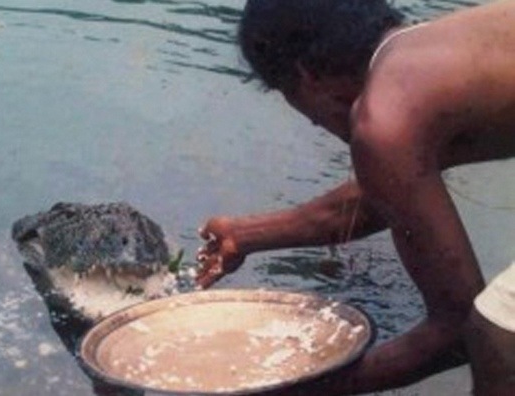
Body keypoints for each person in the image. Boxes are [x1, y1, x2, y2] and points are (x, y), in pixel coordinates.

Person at [195, 0, 515, 394]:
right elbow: (390, 196)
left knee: (497, 332)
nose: (309, 119)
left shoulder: (383, 118)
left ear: (305, 76)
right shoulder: (424, 57)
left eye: (284, 94)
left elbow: (453, 333)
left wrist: (289, 389)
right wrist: (247, 235)